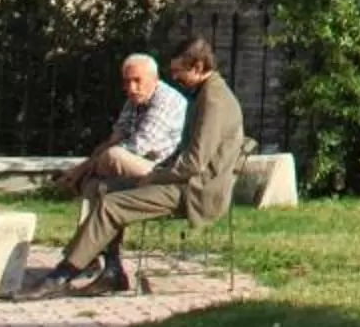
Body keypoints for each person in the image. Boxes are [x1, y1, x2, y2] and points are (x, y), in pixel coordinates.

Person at [27, 38, 242, 297]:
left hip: (196, 191)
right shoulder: (204, 93)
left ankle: (61, 275)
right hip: (180, 180)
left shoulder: (214, 100)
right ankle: (112, 271)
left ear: (197, 66)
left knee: (112, 203)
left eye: (179, 72)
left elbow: (194, 163)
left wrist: (153, 177)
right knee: (99, 187)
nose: (174, 78)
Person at [57, 52, 187, 205]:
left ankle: (74, 180)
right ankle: (81, 191)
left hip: (164, 171)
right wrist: (91, 160)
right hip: (139, 164)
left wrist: (83, 167)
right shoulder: (135, 99)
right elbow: (115, 138)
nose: (131, 88)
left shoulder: (166, 100)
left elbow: (139, 146)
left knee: (112, 156)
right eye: (127, 82)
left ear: (154, 79)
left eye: (137, 80)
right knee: (95, 181)